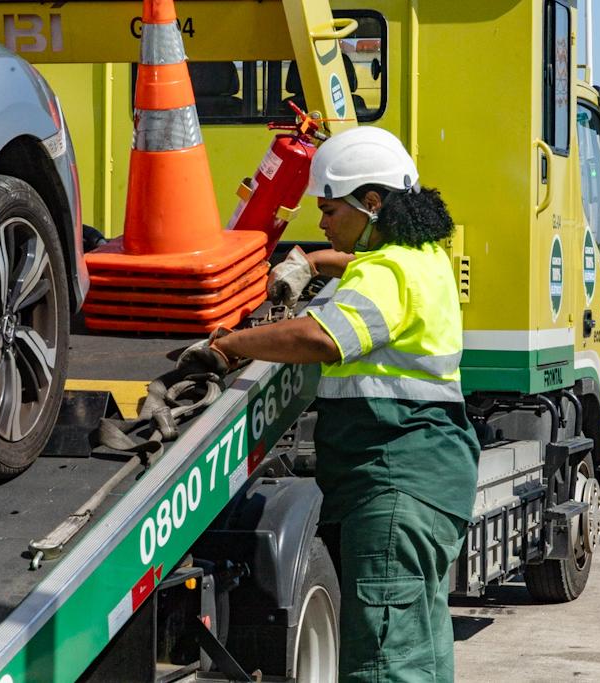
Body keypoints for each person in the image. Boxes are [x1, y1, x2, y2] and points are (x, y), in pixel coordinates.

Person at [179, 126, 480, 681]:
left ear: (371, 202)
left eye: (329, 210)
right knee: (420, 649)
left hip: (392, 486)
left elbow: (321, 338)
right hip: (428, 483)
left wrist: (226, 345)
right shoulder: (425, 259)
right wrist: (319, 263)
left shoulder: (387, 273)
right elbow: (371, 271)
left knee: (385, 662)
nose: (321, 223)